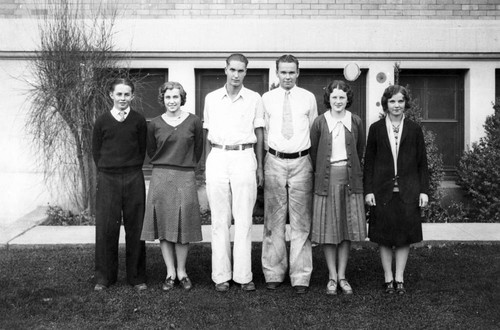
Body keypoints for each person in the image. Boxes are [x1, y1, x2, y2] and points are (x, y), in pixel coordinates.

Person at [203, 53, 265, 292]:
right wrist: (210, 163)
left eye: (241, 71)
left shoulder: (254, 98)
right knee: (219, 219)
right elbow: (208, 134)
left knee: (243, 219)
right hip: (218, 156)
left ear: (245, 72)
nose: (236, 75)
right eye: (233, 70)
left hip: (243, 156)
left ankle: (243, 275)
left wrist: (259, 165)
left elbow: (259, 134)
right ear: (226, 69)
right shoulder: (211, 98)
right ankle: (220, 276)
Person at [364, 85, 429, 294]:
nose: (396, 105)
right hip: (382, 192)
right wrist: (369, 191)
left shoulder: (414, 129)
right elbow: (369, 163)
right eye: (392, 101)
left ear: (405, 103)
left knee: (404, 236)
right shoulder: (375, 128)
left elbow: (422, 163)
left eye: (400, 101)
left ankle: (399, 277)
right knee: (383, 236)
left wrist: (424, 191)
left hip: (408, 191)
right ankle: (388, 277)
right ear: (386, 104)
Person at [261, 54, 317, 294]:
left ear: (298, 73)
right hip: (274, 160)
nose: (287, 76)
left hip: (301, 161)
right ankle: (273, 272)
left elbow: (315, 131)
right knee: (273, 219)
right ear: (277, 73)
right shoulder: (267, 98)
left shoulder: (308, 98)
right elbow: (261, 131)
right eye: (283, 72)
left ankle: (301, 275)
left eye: (291, 72)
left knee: (301, 222)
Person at [140, 82, 203, 292]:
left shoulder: (193, 121)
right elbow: (150, 150)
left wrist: (185, 166)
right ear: (163, 99)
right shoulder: (155, 124)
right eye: (168, 97)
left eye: (176, 97)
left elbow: (198, 150)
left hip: (184, 176)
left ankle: (183, 271)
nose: (172, 101)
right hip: (161, 177)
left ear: (182, 98)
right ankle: (170, 272)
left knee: (183, 225)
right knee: (165, 227)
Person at [309, 80, 366, 295]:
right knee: (329, 230)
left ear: (347, 99)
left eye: (342, 97)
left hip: (350, 178)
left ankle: (343, 276)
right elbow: (314, 153)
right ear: (329, 99)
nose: (338, 101)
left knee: (345, 230)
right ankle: (331, 276)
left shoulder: (356, 121)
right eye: (334, 97)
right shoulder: (320, 123)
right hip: (327, 179)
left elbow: (359, 151)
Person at [92, 77, 147, 292]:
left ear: (132, 96)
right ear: (111, 95)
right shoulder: (102, 121)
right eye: (119, 94)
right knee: (106, 227)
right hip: (108, 178)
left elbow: (141, 149)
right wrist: (109, 169)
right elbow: (97, 151)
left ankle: (137, 277)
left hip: (133, 176)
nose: (122, 98)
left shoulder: (139, 120)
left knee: (136, 227)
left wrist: (130, 168)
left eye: (127, 94)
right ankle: (104, 277)